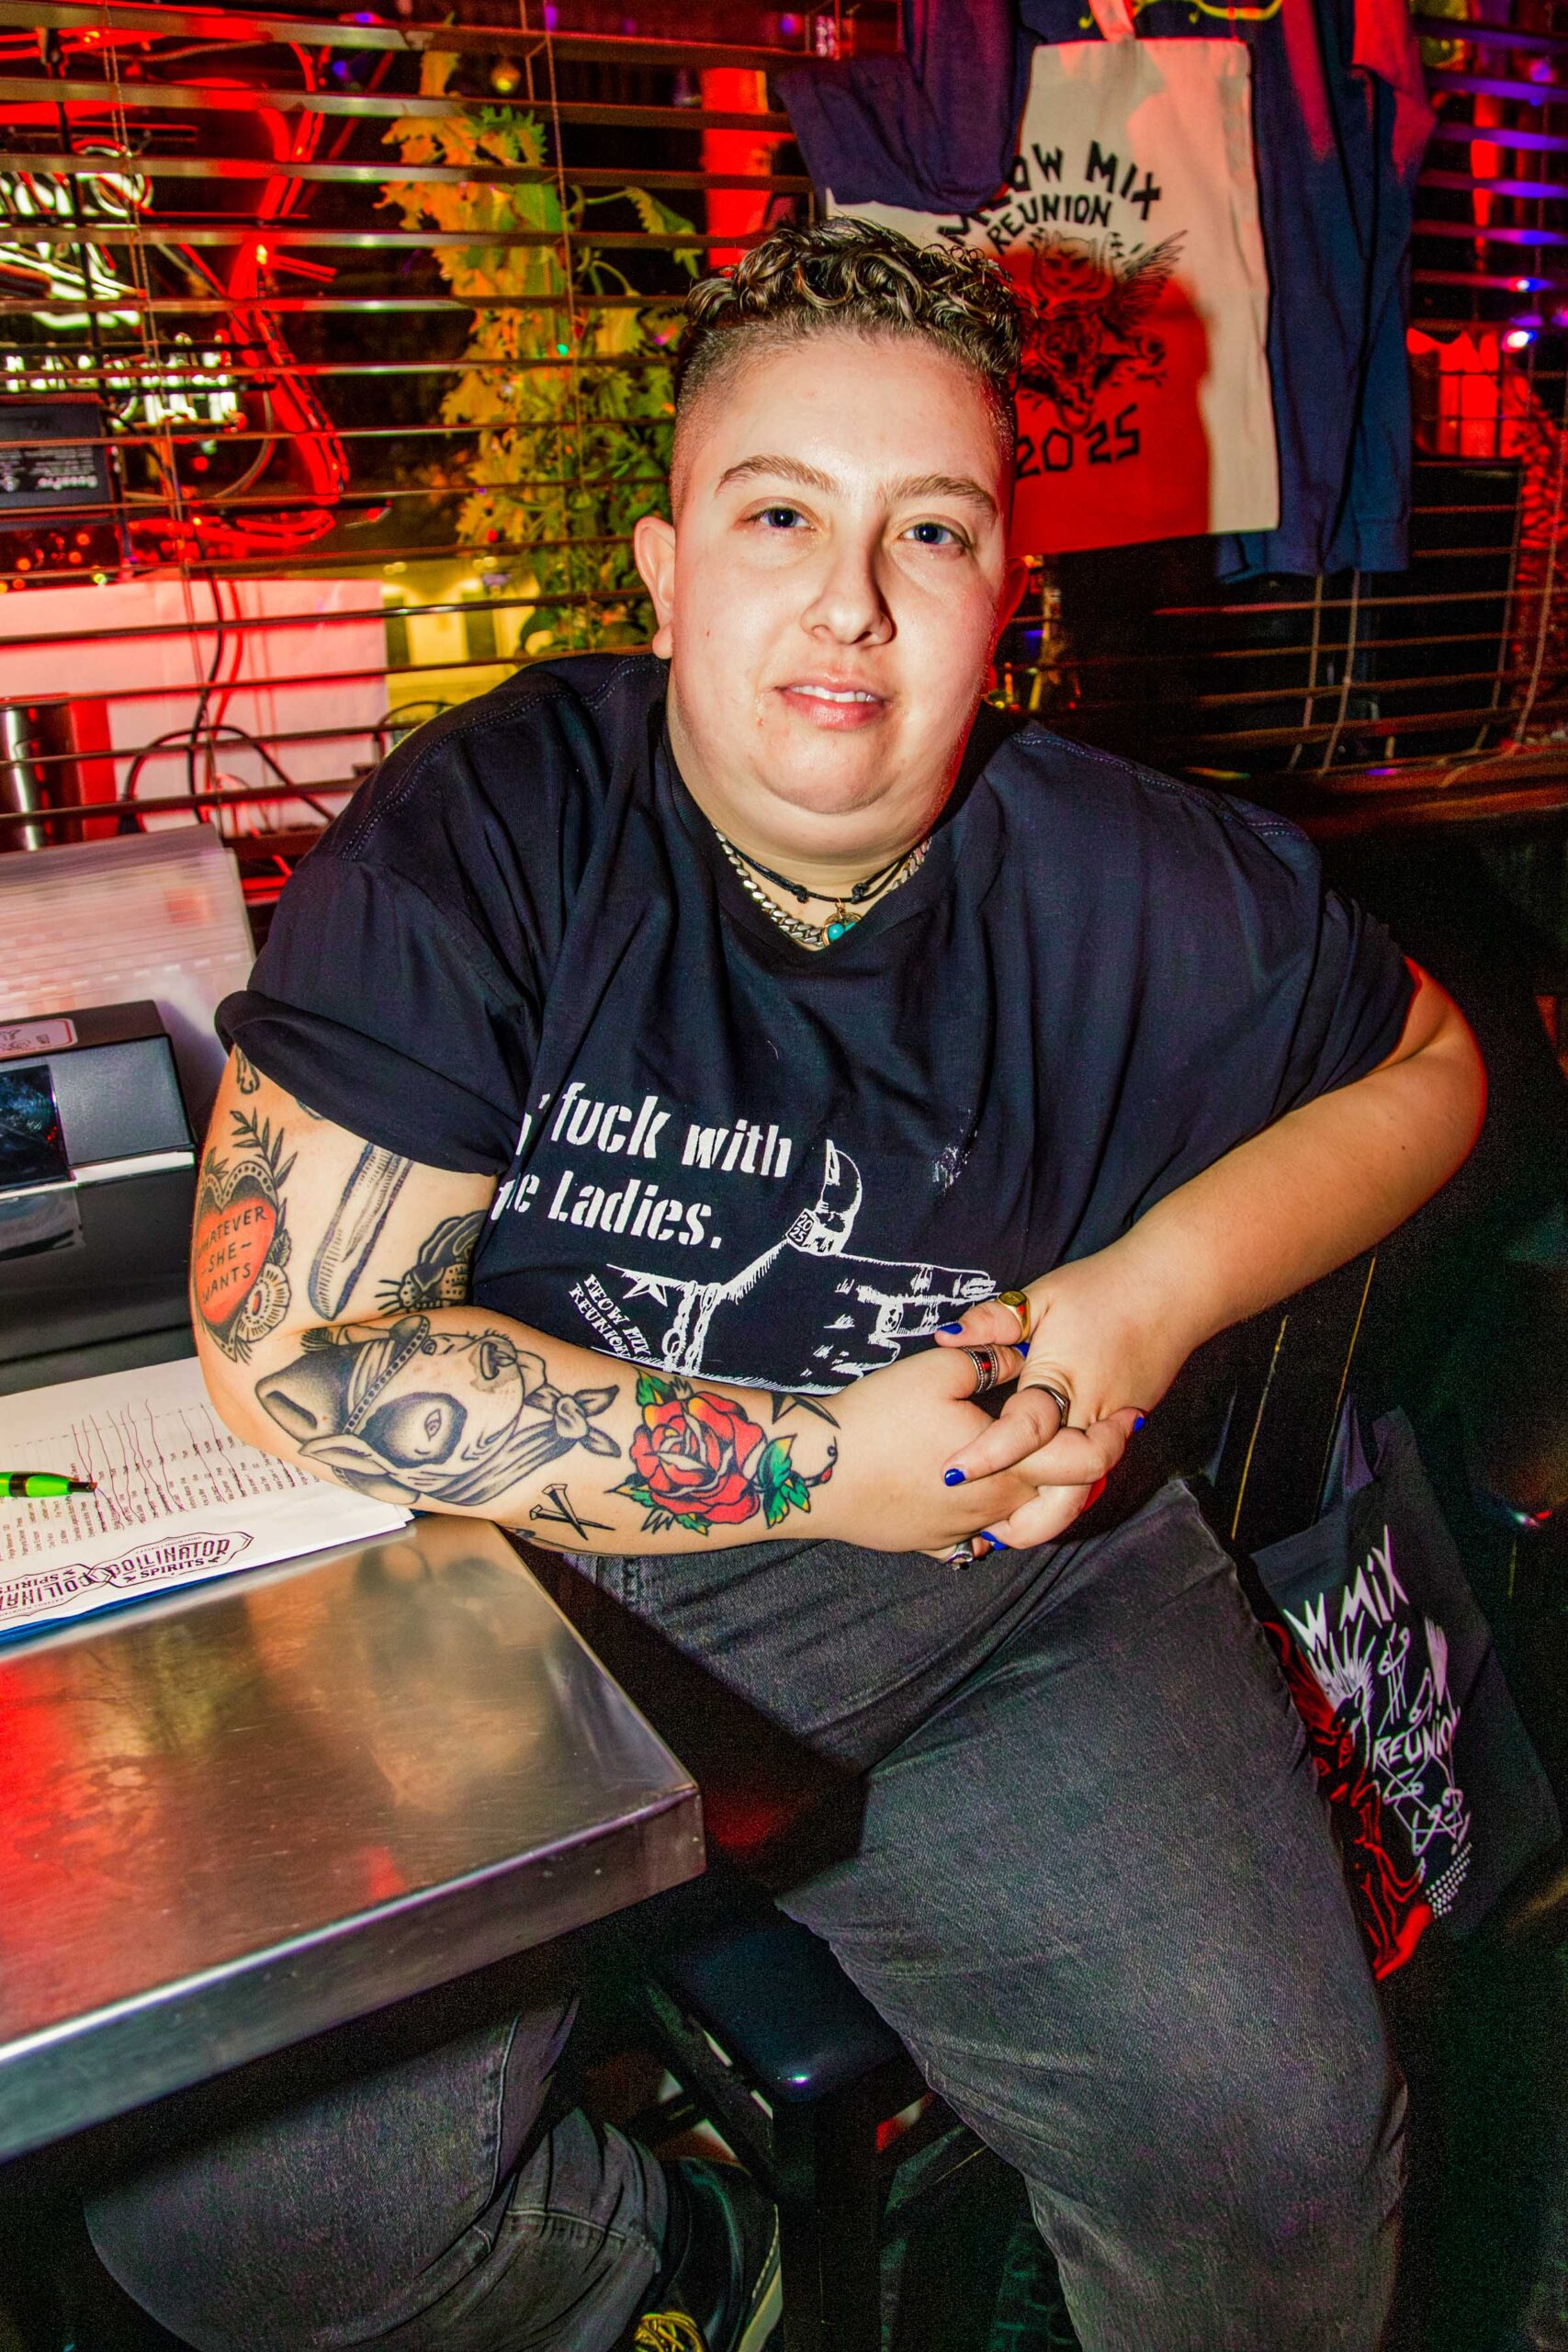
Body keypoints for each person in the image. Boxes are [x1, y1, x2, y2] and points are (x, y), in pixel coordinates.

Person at [87, 220, 1484, 2352]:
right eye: (777, 515)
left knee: (1271, 2153)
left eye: (927, 527)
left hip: (1012, 1591)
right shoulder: (487, 829)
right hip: (529, 1585)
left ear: (1003, 591)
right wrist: (822, 1455)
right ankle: (683, 2278)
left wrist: (1141, 1294)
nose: (849, 597)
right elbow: (291, 1344)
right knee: (240, 2221)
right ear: (663, 573)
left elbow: (1428, 1066)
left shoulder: (1133, 877)